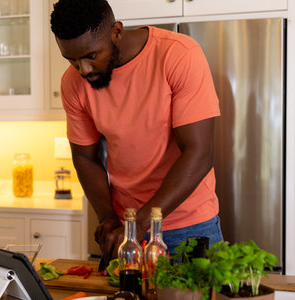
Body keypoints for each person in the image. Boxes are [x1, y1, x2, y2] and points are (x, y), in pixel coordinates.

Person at [50, 0, 224, 267]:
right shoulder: (72, 83)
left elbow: (199, 153)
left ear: (117, 32)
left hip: (190, 226)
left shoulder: (178, 54)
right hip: (127, 227)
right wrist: (108, 217)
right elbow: (85, 157)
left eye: (91, 56)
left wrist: (141, 223)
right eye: (71, 59)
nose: (83, 69)